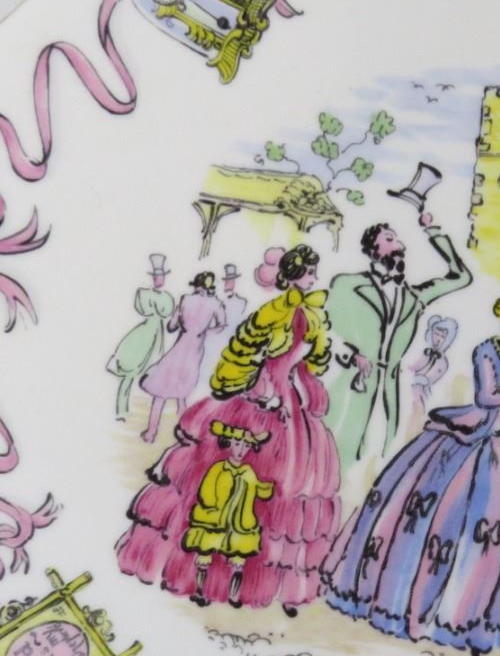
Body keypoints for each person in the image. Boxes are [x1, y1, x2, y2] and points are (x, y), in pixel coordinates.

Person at [320, 294, 500, 656]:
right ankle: (414, 604)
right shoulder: (485, 351)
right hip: (472, 429)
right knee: (441, 509)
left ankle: (478, 613)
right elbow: (486, 397)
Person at [117, 244, 341, 614]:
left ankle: (269, 582)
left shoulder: (313, 314)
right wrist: (257, 385)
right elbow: (245, 348)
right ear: (292, 277)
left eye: (314, 274)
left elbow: (316, 357)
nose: (314, 279)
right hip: (262, 394)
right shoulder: (274, 311)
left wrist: (308, 374)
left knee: (292, 482)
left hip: (290, 398)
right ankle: (206, 575)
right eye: (309, 273)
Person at [323, 214, 473, 463]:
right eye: (390, 239)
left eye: (398, 240)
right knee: (339, 451)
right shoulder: (348, 284)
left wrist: (433, 231)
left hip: (390, 389)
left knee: (384, 453)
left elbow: (462, 277)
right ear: (373, 248)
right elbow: (325, 328)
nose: (400, 245)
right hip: (353, 382)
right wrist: (352, 355)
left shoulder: (414, 297)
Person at [180, 423, 274, 607]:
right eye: (237, 444)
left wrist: (267, 489)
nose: (241, 450)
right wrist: (213, 507)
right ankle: (200, 591)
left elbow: (257, 490)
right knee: (205, 556)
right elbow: (206, 491)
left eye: (246, 446)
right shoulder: (218, 468)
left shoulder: (248, 472)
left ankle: (234, 596)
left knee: (238, 562)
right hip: (214, 521)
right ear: (229, 443)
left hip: (239, 524)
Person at [138, 270, 225, 442]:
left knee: (161, 391)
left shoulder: (186, 299)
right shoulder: (215, 303)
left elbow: (171, 326)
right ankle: (185, 431)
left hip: (181, 347)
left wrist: (183, 323)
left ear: (197, 285)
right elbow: (221, 325)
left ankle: (151, 433)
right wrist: (204, 331)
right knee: (182, 394)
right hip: (195, 350)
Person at [106, 254, 175, 420]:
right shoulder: (144, 294)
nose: (159, 280)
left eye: (162, 277)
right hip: (144, 334)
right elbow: (146, 309)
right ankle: (121, 410)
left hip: (157, 335)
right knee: (130, 370)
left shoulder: (166, 297)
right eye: (157, 277)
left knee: (152, 371)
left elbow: (167, 312)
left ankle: (148, 411)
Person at [405, 314, 460, 426]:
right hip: (409, 388)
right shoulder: (423, 354)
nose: (438, 339)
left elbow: (427, 379)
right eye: (436, 334)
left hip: (422, 393)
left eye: (442, 336)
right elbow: (412, 367)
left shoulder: (442, 362)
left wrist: (413, 379)